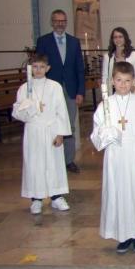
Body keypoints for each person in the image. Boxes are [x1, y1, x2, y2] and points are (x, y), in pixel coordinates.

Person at [91, 61, 135, 254]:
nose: (123, 85)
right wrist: (106, 133)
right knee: (118, 194)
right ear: (112, 81)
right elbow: (96, 134)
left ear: (134, 82)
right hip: (115, 157)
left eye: (127, 81)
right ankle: (122, 235)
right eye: (119, 80)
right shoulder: (106, 105)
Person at [12, 54, 72, 214]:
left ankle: (56, 196)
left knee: (54, 164)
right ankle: (36, 199)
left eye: (42, 67)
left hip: (51, 129)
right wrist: (28, 107)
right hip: (33, 131)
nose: (38, 70)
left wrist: (61, 133)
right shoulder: (24, 88)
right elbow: (18, 112)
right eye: (35, 67)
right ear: (30, 69)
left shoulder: (55, 87)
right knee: (34, 164)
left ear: (48, 68)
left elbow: (61, 111)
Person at [35, 9, 85, 173]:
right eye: (57, 21)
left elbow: (79, 68)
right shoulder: (43, 41)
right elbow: (39, 66)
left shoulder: (73, 41)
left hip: (70, 89)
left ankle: (68, 160)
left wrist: (80, 91)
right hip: (50, 89)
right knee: (51, 123)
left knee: (69, 125)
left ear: (66, 22)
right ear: (52, 22)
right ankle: (52, 160)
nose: (60, 23)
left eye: (63, 21)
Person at [102, 27, 135, 94]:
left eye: (120, 37)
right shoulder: (108, 57)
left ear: (125, 38)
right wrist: (105, 95)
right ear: (112, 39)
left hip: (130, 93)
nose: (118, 39)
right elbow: (105, 77)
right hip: (113, 94)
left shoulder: (134, 55)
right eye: (115, 37)